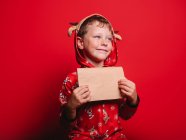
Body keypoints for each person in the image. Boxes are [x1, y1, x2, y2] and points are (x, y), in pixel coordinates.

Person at [59, 14, 140, 140]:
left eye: (109, 38)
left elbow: (125, 115)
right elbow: (64, 125)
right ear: (80, 42)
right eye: (97, 36)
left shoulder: (116, 77)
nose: (104, 42)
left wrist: (133, 100)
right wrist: (71, 106)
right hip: (81, 136)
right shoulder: (72, 79)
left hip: (114, 136)